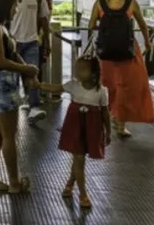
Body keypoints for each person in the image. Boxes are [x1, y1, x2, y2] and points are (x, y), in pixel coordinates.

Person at [0, 0, 40, 194]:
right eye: (14, 7)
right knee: (8, 135)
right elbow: (0, 60)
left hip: (1, 84)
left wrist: (28, 73)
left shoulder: (1, 28)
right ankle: (14, 182)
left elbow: (12, 54)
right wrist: (26, 69)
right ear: (5, 7)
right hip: (1, 84)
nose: (15, 11)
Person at [32, 55, 110, 209]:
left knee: (79, 158)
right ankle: (83, 194)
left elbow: (105, 112)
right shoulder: (73, 85)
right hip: (76, 126)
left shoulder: (101, 91)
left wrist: (108, 132)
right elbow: (56, 88)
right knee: (79, 157)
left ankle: (70, 182)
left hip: (92, 128)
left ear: (93, 73)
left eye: (82, 70)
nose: (77, 72)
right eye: (76, 69)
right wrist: (39, 85)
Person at [88, 0, 154, 138]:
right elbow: (143, 25)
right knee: (126, 87)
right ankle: (121, 125)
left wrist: (105, 29)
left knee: (108, 85)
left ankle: (108, 117)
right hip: (128, 51)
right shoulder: (131, 3)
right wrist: (147, 42)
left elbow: (91, 25)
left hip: (106, 53)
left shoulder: (100, 3)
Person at [9, 0, 51, 124]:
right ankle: (12, 107)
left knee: (33, 74)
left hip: (32, 42)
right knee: (13, 78)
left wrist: (46, 41)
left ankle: (34, 107)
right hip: (14, 43)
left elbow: (44, 20)